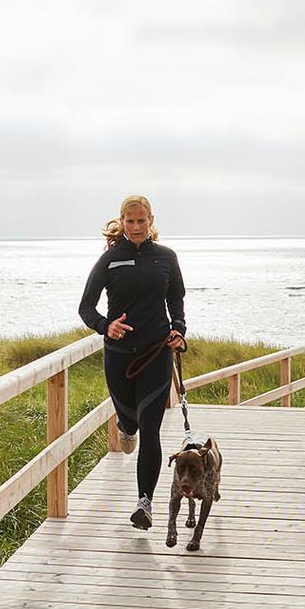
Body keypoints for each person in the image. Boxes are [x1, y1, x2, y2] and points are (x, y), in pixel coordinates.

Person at [77, 194, 187, 530]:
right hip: (119, 357)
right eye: (130, 221)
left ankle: (145, 503)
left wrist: (179, 330)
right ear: (122, 222)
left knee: (150, 428)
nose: (136, 227)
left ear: (151, 220)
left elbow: (176, 299)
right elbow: (86, 308)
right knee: (131, 420)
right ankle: (126, 427)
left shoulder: (166, 258)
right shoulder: (110, 259)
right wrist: (105, 326)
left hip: (156, 354)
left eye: (141, 221)